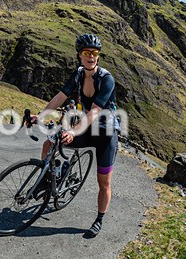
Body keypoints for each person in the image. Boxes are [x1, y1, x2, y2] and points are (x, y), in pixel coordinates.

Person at [31, 33, 120, 239]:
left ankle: (99, 219)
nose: (91, 56)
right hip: (87, 128)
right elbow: (61, 97)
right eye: (86, 53)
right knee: (49, 143)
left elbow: (95, 111)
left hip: (106, 134)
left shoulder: (106, 79)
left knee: (104, 182)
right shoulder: (78, 75)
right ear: (79, 55)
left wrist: (73, 131)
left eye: (94, 53)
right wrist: (41, 115)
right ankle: (47, 179)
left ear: (98, 56)